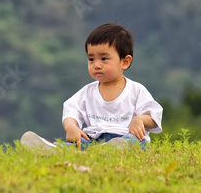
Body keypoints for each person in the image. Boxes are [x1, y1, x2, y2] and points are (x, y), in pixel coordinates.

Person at [21, 23, 163, 150]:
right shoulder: (87, 92)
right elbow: (71, 110)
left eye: (104, 59)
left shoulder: (136, 90)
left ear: (125, 62)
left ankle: (112, 150)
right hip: (94, 140)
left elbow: (154, 116)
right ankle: (54, 150)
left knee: (133, 142)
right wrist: (71, 127)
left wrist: (139, 120)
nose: (97, 65)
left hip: (125, 138)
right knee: (80, 143)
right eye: (91, 59)